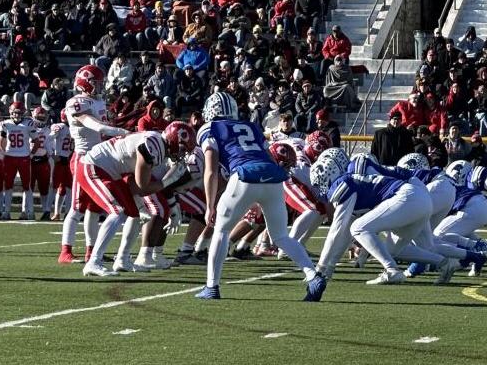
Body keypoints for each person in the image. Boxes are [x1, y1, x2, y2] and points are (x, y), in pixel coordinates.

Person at [195, 92, 327, 301]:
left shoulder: (209, 128)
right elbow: (268, 156)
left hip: (244, 175)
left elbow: (210, 169)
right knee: (281, 236)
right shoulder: (251, 126)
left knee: (221, 229)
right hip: (273, 177)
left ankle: (212, 286)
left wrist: (210, 204)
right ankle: (313, 276)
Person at [313, 148, 484, 285]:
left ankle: (391, 271)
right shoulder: (357, 177)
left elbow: (338, 230)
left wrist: (321, 268)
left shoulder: (345, 180)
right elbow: (346, 233)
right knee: (394, 249)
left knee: (358, 228)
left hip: (409, 196)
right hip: (420, 197)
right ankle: (446, 263)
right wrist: (330, 267)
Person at [76, 123, 196, 277]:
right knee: (117, 212)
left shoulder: (159, 145)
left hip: (113, 172)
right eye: (182, 148)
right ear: (173, 140)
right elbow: (143, 187)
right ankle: (93, 261)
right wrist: (169, 180)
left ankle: (122, 260)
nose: (182, 153)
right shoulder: (153, 145)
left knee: (136, 213)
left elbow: (137, 185)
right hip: (93, 166)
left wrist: (170, 201)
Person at [57, 65, 128, 263]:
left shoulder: (99, 102)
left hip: (99, 158)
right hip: (83, 157)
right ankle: (65, 251)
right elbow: (91, 124)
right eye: (95, 83)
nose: (100, 86)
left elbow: (102, 131)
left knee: (94, 209)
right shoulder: (76, 102)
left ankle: (92, 251)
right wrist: (117, 131)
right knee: (77, 207)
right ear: (84, 83)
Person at [0, 102, 33, 220]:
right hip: (10, 157)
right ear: (10, 112)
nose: (16, 115)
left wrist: (30, 154)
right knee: (8, 185)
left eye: (18, 113)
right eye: (14, 112)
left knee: (26, 185)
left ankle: (26, 211)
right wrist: (4, 152)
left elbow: (36, 141)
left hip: (23, 157)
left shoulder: (28, 123)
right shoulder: (5, 124)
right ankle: (6, 211)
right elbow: (1, 140)